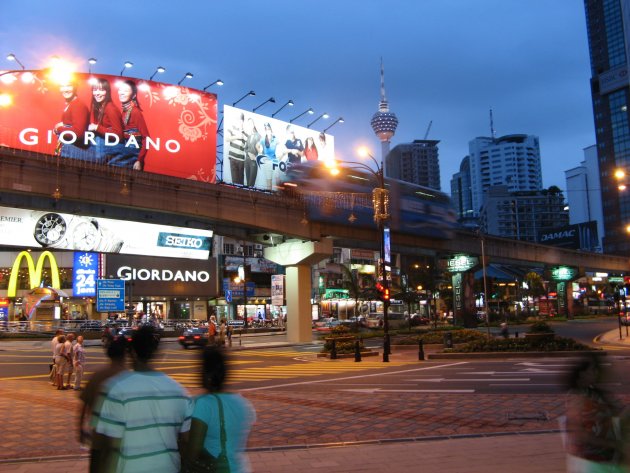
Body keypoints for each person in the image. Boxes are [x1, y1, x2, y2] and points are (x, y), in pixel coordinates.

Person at [94, 325, 192, 472]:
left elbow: (105, 447)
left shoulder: (116, 390)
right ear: (155, 352)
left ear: (132, 352)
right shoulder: (180, 392)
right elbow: (186, 443)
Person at [183, 346, 256, 473]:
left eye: (200, 369)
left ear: (208, 374)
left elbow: (193, 454)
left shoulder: (203, 404)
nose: (197, 372)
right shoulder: (244, 404)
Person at [564, 353, 625, 472]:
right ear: (581, 373)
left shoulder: (594, 393)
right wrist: (612, 444)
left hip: (608, 457)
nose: (596, 372)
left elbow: (618, 412)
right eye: (592, 369)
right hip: (591, 459)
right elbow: (579, 433)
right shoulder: (577, 397)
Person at [78, 337, 128, 472]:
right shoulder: (129, 377)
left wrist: (81, 429)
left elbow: (84, 406)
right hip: (122, 438)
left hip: (99, 437)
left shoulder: (97, 376)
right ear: (125, 355)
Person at [109, 80, 150, 170]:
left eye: (126, 91)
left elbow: (146, 138)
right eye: (120, 90)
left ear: (134, 95)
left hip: (132, 154)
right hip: (125, 150)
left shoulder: (135, 112)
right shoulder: (124, 111)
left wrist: (139, 160)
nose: (122, 93)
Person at [87, 78, 124, 164]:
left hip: (110, 147)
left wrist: (97, 127)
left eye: (101, 90)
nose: (97, 93)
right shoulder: (97, 106)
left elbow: (119, 135)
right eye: (95, 90)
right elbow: (91, 125)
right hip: (101, 145)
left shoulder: (110, 108)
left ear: (107, 92)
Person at [54, 79, 91, 160]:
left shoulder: (78, 105)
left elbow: (79, 133)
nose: (65, 89)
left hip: (73, 151)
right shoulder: (72, 104)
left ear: (75, 87)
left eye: (69, 85)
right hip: (68, 149)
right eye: (62, 86)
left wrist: (58, 128)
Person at [256, 123, 280, 191]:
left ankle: (279, 194)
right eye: (266, 129)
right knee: (269, 180)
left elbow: (281, 148)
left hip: (275, 161)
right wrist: (261, 153)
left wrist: (280, 155)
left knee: (277, 178)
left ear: (271, 130)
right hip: (267, 162)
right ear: (265, 131)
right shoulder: (263, 139)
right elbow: (257, 146)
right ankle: (270, 195)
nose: (268, 131)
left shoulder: (275, 138)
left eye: (269, 129)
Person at [226, 112, 247, 185]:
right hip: (233, 157)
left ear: (243, 121)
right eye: (238, 119)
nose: (239, 121)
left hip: (241, 159)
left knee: (241, 183)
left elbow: (248, 146)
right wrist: (237, 137)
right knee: (234, 181)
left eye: (241, 120)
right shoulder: (232, 128)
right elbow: (227, 138)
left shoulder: (245, 132)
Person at [244, 118, 261, 187]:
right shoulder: (249, 136)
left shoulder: (259, 136)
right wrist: (248, 153)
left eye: (251, 123)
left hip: (253, 161)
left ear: (254, 124)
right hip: (247, 160)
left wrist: (256, 157)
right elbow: (245, 148)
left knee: (251, 182)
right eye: (249, 124)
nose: (250, 125)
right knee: (248, 182)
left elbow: (261, 150)